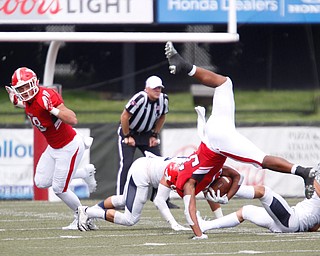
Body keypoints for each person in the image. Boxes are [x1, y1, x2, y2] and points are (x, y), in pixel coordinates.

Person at [153, 41, 319, 239]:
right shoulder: (196, 173)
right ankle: (185, 66)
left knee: (261, 160)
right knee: (224, 83)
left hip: (217, 142)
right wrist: (226, 197)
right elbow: (234, 179)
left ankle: (303, 171)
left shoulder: (189, 182)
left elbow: (190, 210)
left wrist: (199, 234)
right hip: (213, 133)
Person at [5, 67, 97, 230]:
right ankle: (84, 173)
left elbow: (72, 119)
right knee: (41, 181)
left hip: (69, 145)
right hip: (54, 147)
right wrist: (16, 101)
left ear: (35, 82)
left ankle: (83, 216)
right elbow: (31, 106)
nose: (25, 91)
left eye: (27, 86)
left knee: (59, 188)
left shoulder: (46, 95)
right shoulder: (29, 100)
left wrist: (52, 109)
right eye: (21, 89)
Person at [77, 153, 191, 231]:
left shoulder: (190, 163)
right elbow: (159, 200)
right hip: (142, 173)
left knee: (124, 200)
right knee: (130, 219)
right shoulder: (176, 170)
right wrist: (173, 223)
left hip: (143, 164)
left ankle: (90, 212)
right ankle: (88, 211)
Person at [117, 75, 179, 209]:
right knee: (127, 164)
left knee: (162, 165)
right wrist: (127, 136)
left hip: (146, 134)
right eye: (155, 88)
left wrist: (154, 134)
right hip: (130, 132)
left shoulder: (164, 99)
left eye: (159, 88)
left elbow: (162, 116)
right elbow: (125, 116)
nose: (158, 91)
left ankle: (161, 199)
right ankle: (121, 199)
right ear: (147, 89)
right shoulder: (140, 98)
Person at [198, 172, 320, 233]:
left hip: (292, 220)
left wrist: (309, 175)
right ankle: (205, 226)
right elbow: (314, 228)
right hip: (288, 223)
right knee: (246, 211)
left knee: (263, 191)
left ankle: (229, 190)